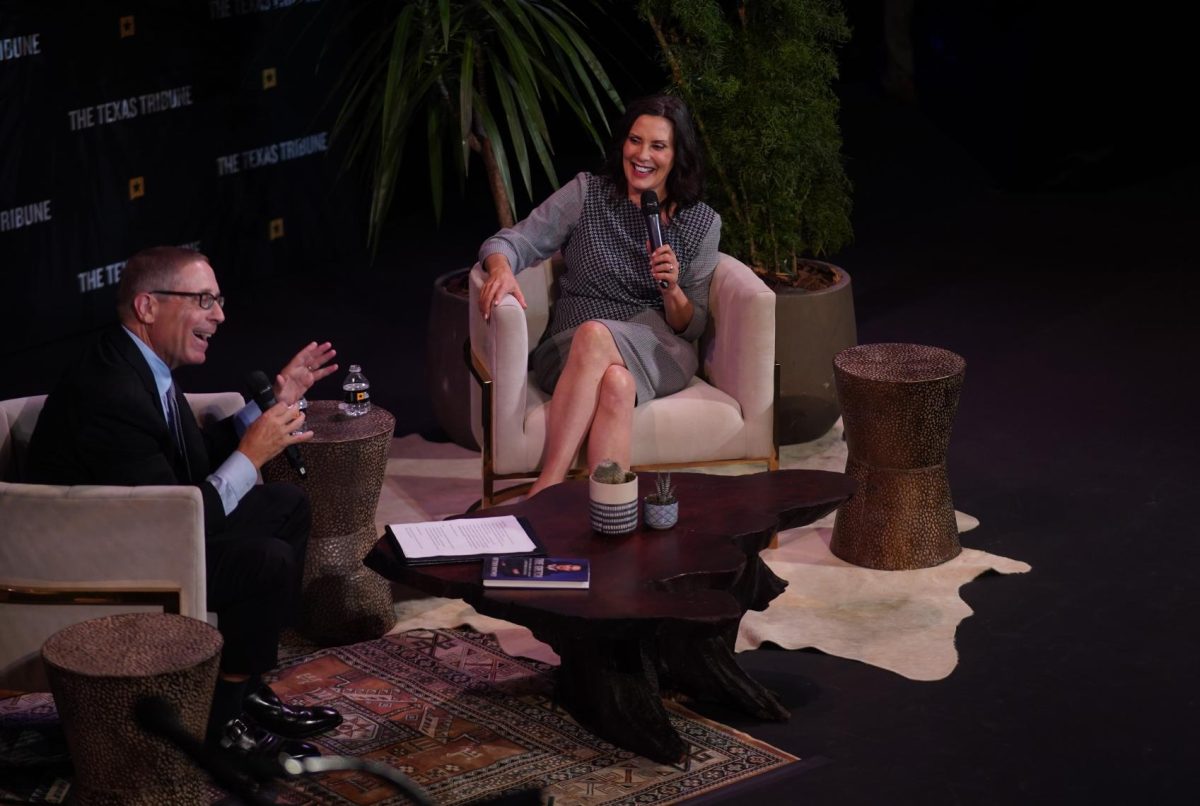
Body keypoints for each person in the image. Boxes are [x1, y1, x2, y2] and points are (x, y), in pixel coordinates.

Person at [28, 246, 343, 761]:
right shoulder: (110, 388)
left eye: (218, 300)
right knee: (264, 559)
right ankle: (220, 720)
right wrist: (250, 454)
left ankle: (246, 689)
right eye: (203, 300)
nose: (219, 315)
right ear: (147, 306)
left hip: (146, 531)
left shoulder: (145, 364)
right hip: (103, 563)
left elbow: (184, 463)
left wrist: (272, 405)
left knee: (286, 505)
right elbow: (172, 514)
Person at [477, 94, 719, 497]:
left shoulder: (702, 222)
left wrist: (672, 289)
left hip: (658, 347)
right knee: (615, 381)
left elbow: (690, 325)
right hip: (570, 347)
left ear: (678, 156)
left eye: (658, 146)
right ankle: (607, 509)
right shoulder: (587, 194)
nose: (642, 155)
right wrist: (501, 268)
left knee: (602, 345)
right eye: (634, 140)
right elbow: (511, 241)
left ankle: (549, 490)